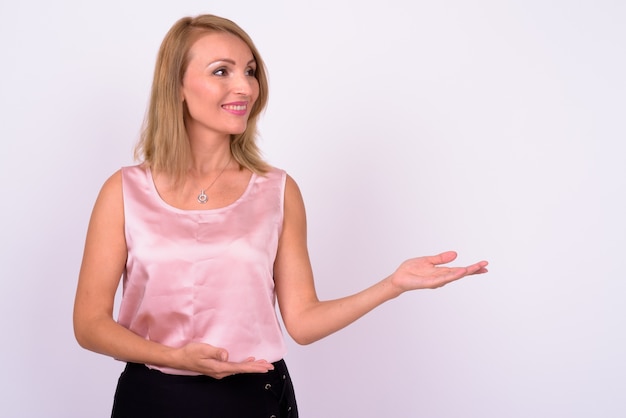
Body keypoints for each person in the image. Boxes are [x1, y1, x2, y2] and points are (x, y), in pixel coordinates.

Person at [73, 14, 488, 418]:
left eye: (250, 71)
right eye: (222, 71)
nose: (245, 87)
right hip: (152, 400)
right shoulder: (124, 191)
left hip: (253, 399)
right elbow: (89, 323)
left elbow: (303, 321)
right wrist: (173, 356)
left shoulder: (277, 191)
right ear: (177, 86)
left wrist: (392, 285)